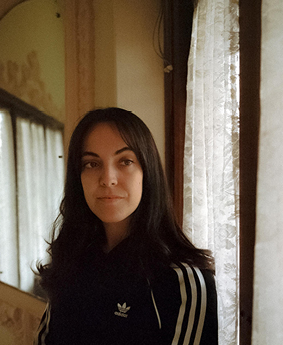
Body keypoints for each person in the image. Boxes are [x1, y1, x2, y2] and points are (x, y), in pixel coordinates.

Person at [35, 107, 218, 345]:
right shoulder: (71, 261)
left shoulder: (184, 282)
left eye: (125, 161)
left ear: (147, 172)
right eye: (91, 164)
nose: (108, 178)